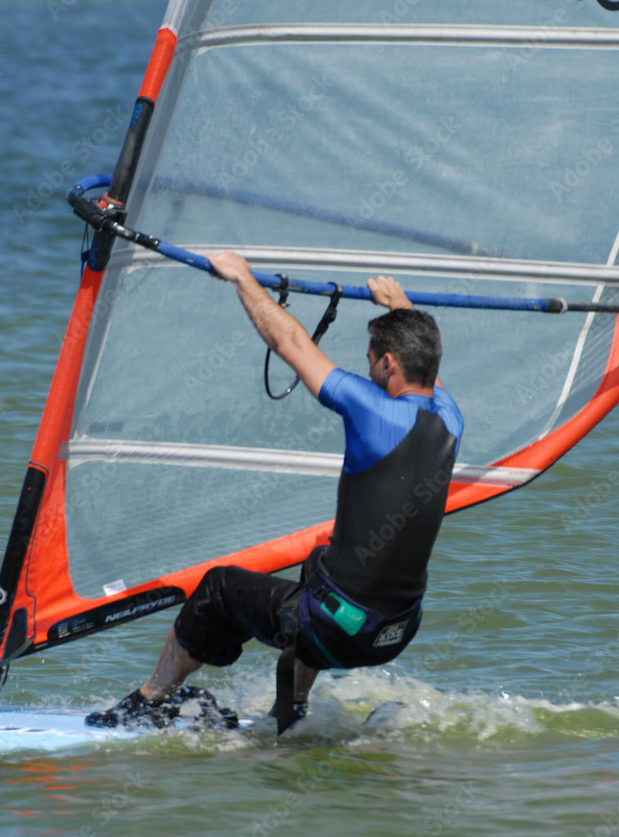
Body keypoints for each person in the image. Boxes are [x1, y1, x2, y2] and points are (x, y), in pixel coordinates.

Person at [86, 254, 464, 732]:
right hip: (395, 630)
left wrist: (242, 277)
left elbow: (289, 341)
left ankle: (149, 700)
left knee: (218, 588)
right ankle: (294, 707)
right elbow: (426, 367)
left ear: (388, 363)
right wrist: (400, 305)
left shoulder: (370, 409)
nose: (367, 371)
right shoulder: (451, 419)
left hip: (337, 631)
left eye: (371, 362)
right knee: (320, 561)